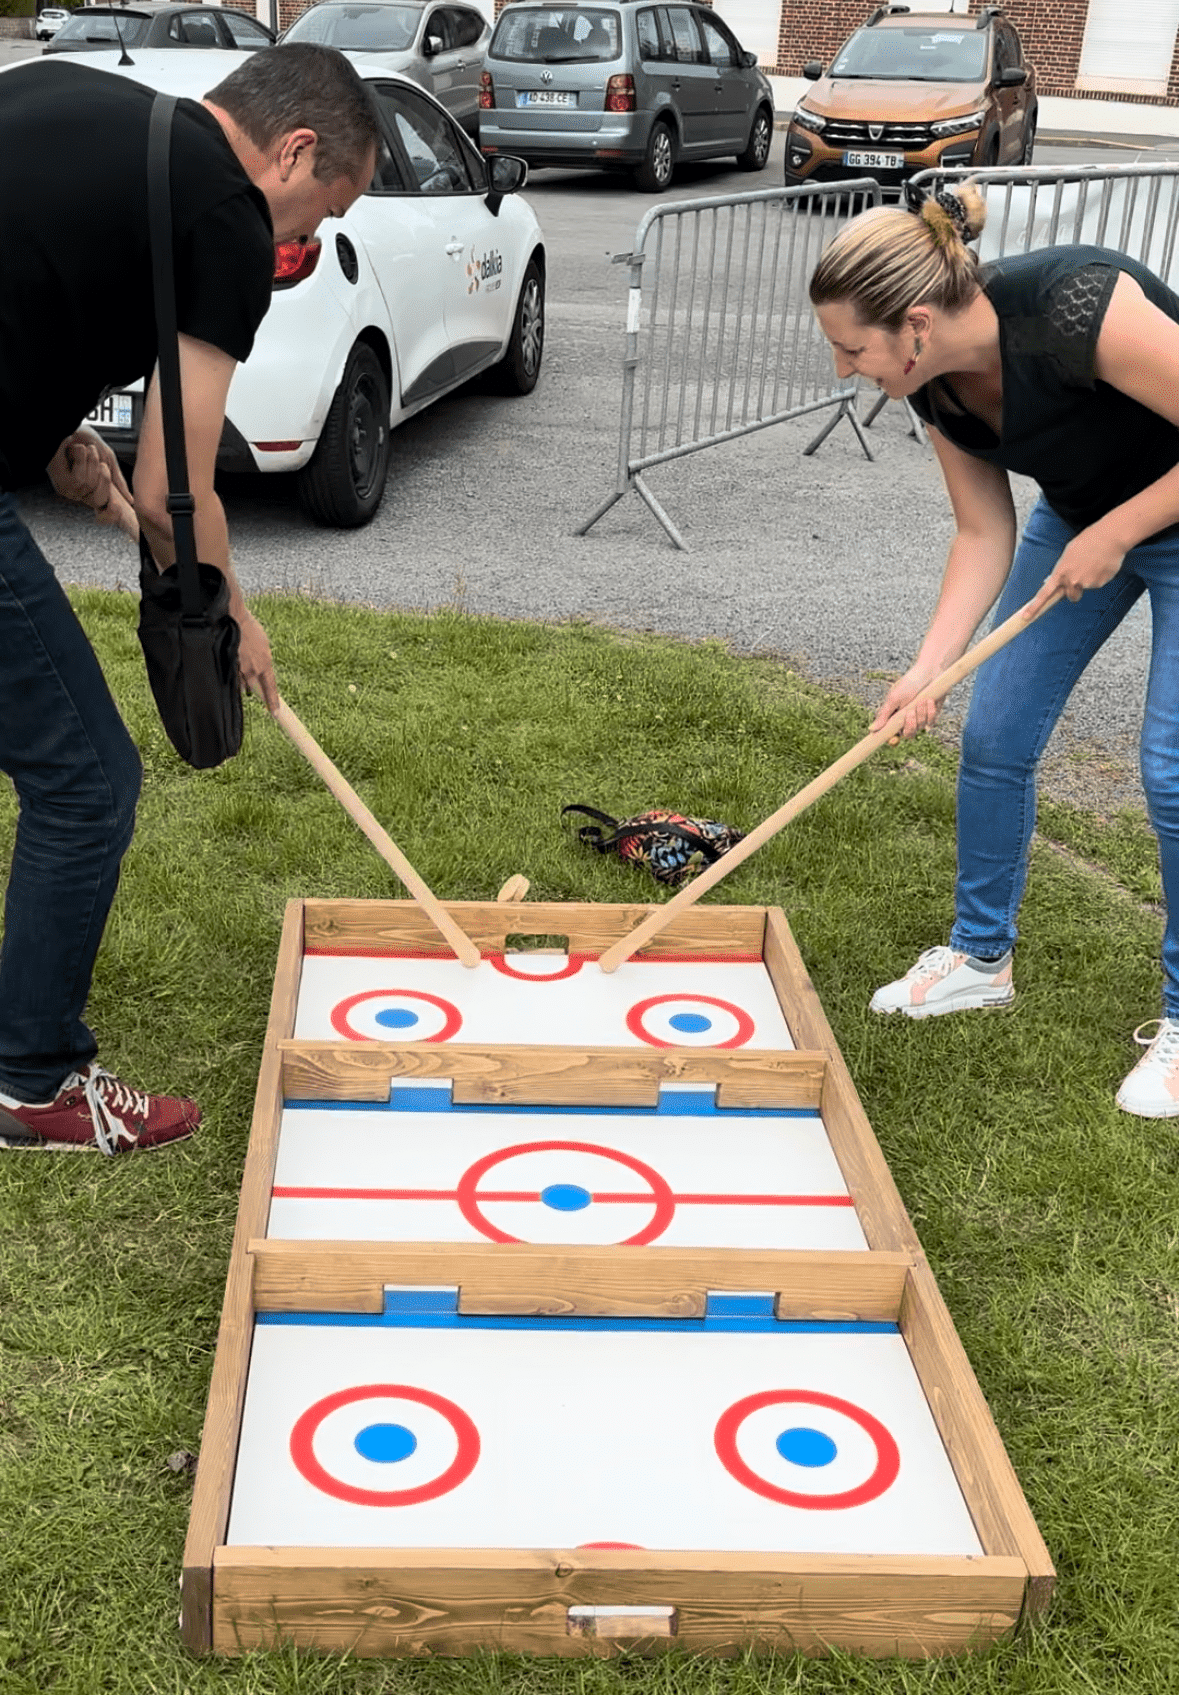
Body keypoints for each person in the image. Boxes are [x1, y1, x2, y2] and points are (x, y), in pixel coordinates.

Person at [0, 46, 381, 1154]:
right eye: (319, 208)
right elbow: (177, 481)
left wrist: (38, 436)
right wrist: (235, 615)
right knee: (86, 781)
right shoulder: (225, 217)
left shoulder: (76, 95)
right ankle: (33, 1078)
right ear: (294, 150)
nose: (297, 239)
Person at [809, 181, 1179, 1119]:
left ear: (916, 324)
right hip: (1083, 519)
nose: (846, 369)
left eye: (853, 348)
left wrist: (1121, 530)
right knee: (995, 733)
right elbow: (981, 531)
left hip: (1156, 512)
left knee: (1170, 770)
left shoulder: (1077, 308)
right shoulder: (933, 389)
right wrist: (928, 666)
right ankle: (980, 957)